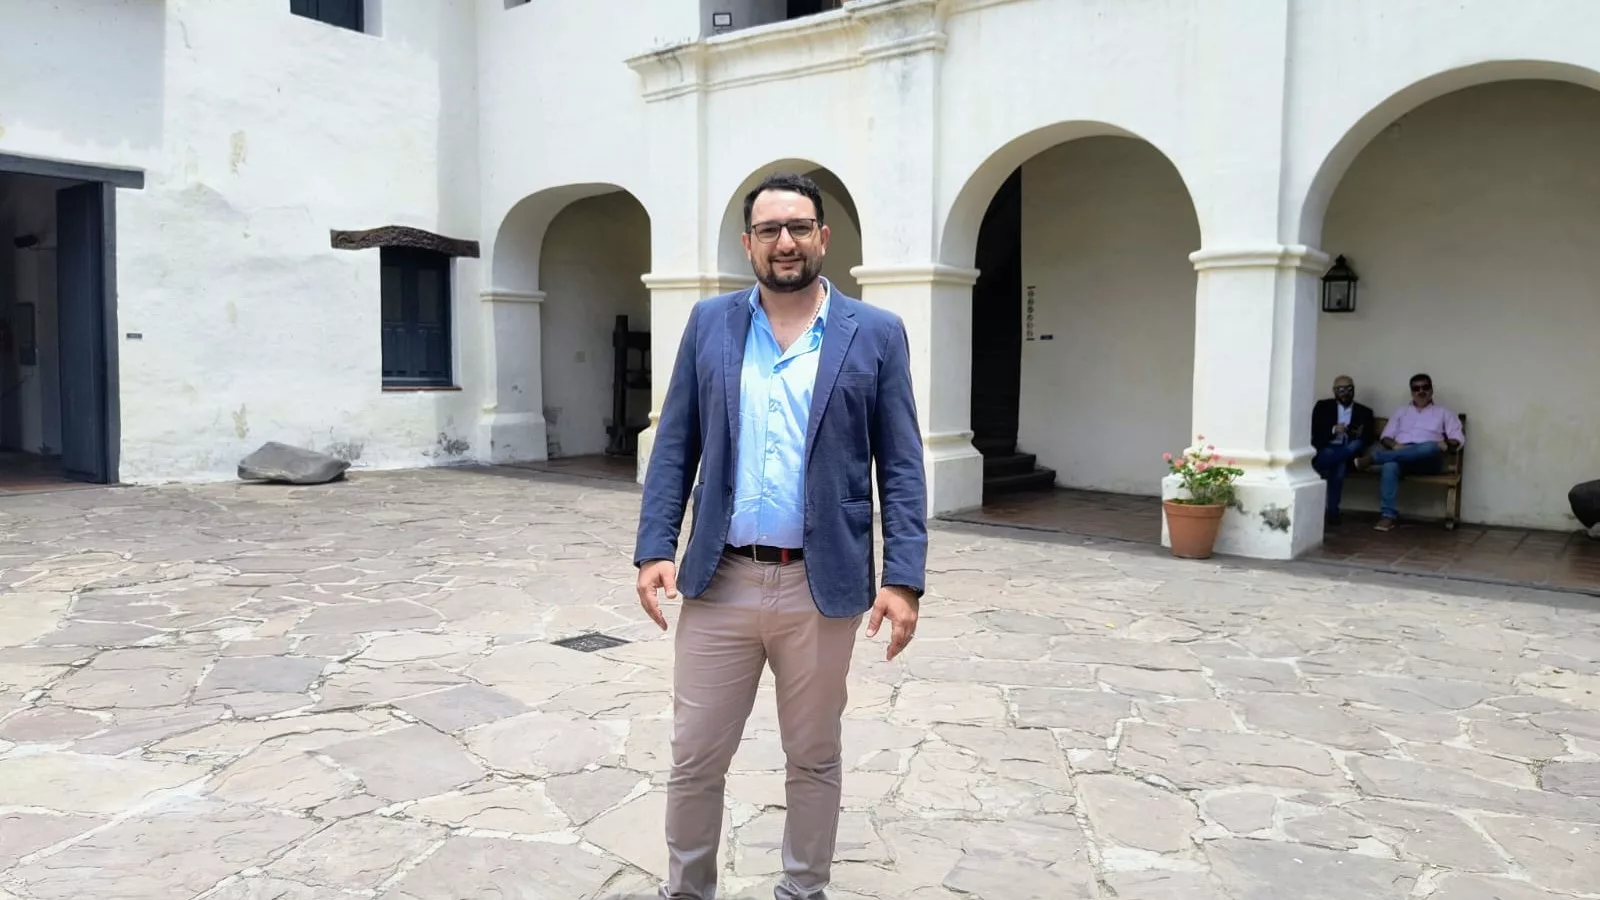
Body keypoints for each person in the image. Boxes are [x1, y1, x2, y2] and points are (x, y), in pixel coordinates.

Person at [632, 171, 928, 900]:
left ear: (823, 236)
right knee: (694, 757)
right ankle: (686, 891)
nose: (785, 242)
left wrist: (903, 578)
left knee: (814, 756)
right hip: (721, 580)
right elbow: (676, 442)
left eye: (798, 227)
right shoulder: (710, 323)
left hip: (819, 585)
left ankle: (802, 892)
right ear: (749, 243)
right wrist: (655, 546)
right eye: (769, 230)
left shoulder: (876, 332)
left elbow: (901, 464)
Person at [1357, 372, 1464, 531]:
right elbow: (1386, 437)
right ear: (1411, 392)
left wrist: (1446, 443)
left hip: (1428, 460)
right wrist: (1394, 445)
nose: (1421, 391)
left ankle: (1374, 458)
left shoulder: (1443, 413)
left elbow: (1458, 438)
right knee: (1389, 466)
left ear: (1431, 390)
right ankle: (1387, 516)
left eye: (1425, 387)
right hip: (1403, 456)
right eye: (1416, 388)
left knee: (1430, 446)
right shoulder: (1401, 412)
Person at [1310, 375, 1376, 526]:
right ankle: (1333, 513)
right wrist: (1334, 429)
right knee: (1338, 467)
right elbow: (1315, 431)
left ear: (1354, 390)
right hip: (1327, 447)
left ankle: (1315, 468)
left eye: (1349, 389)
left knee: (1354, 446)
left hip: (1349, 449)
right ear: (1334, 391)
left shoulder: (1364, 411)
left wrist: (1357, 434)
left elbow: (1368, 438)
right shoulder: (1323, 406)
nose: (1345, 392)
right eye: (1341, 389)